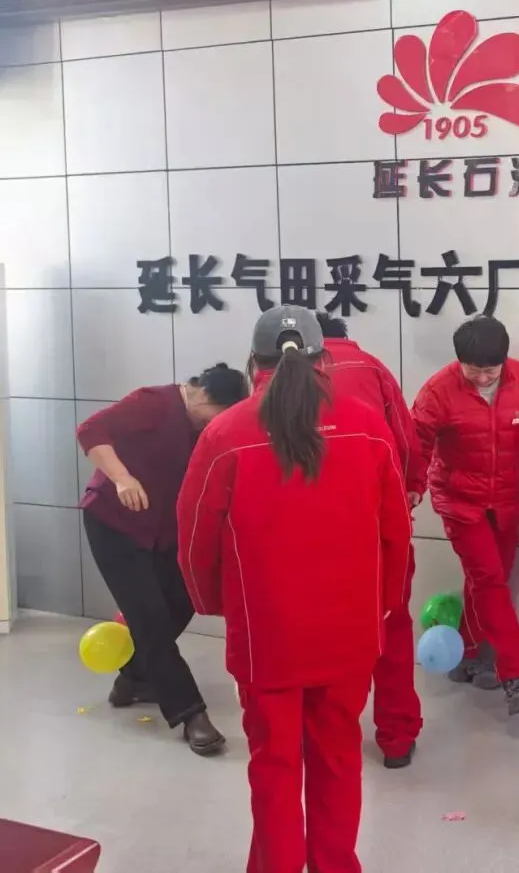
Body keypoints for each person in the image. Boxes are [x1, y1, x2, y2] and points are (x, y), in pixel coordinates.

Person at [177, 306, 412, 873]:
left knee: (274, 767)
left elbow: (194, 540)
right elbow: (396, 532)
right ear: (324, 358)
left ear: (253, 363)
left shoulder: (225, 433)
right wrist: (381, 606)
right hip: (350, 630)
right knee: (339, 759)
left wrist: (216, 604)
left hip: (267, 634)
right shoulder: (367, 425)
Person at [409, 314, 519, 716]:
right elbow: (416, 443)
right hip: (460, 502)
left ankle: (470, 651)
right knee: (489, 580)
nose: (484, 378)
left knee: (489, 580)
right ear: (459, 362)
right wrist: (412, 486)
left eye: (491, 370)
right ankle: (517, 676)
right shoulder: (438, 390)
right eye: (474, 371)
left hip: (505, 502)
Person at [77, 364, 248, 755]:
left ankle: (134, 678)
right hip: (115, 524)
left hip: (163, 532)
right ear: (204, 395)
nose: (215, 426)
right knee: (150, 619)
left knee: (185, 598)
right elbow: (91, 430)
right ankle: (191, 715)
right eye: (217, 416)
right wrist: (122, 477)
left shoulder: (205, 426)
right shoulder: (153, 402)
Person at [316, 312, 422, 769]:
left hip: (308, 531)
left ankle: (328, 734)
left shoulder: (279, 378)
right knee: (391, 623)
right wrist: (412, 486)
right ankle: (396, 737)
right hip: (376, 521)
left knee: (322, 636)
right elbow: (406, 439)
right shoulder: (373, 368)